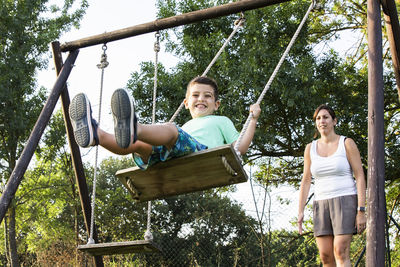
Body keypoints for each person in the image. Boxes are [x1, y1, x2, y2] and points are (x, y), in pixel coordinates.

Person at [69, 76, 261, 169]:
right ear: (186, 103)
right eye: (195, 95)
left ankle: (133, 128)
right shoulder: (187, 127)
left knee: (171, 130)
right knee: (140, 146)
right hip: (173, 159)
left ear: (216, 104)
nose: (201, 99)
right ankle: (98, 136)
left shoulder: (221, 121)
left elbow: (239, 147)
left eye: (207, 96)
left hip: (203, 154)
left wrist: (253, 119)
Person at [298, 104, 367, 267]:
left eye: (326, 117)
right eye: (319, 118)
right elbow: (306, 180)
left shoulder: (347, 143)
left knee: (340, 251)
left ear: (334, 121)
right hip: (321, 204)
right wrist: (300, 211)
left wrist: (361, 210)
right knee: (325, 256)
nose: (322, 121)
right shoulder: (310, 148)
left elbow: (360, 176)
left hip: (345, 201)